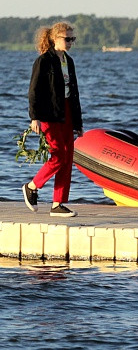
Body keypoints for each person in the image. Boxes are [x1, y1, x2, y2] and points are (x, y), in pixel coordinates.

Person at [23, 22, 84, 217]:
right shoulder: (43, 61)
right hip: (48, 113)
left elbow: (74, 93)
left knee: (67, 158)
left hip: (67, 111)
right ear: (54, 39)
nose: (70, 42)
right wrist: (35, 117)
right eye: (67, 39)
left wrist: (78, 123)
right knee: (58, 154)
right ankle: (32, 186)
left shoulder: (69, 61)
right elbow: (34, 91)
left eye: (72, 39)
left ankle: (58, 203)